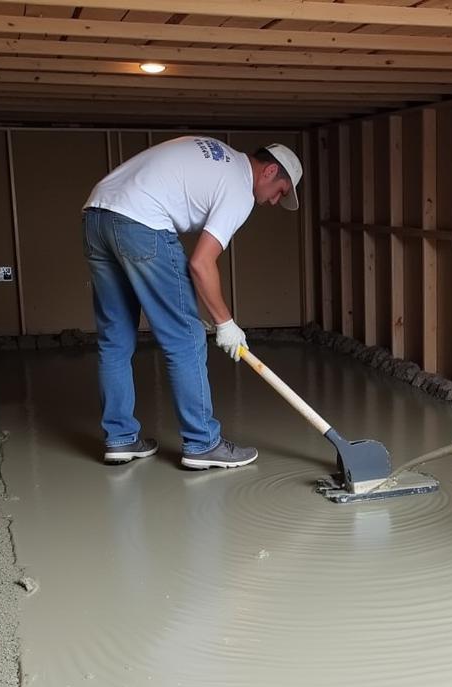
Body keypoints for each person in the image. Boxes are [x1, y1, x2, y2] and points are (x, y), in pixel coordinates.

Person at [81, 137, 302, 469]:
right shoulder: (239, 189)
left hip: (96, 216)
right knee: (186, 340)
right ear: (270, 170)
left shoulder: (221, 155)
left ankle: (121, 439)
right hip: (141, 222)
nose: (273, 201)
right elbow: (201, 263)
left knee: (115, 338)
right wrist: (225, 323)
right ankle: (202, 443)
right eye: (280, 191)